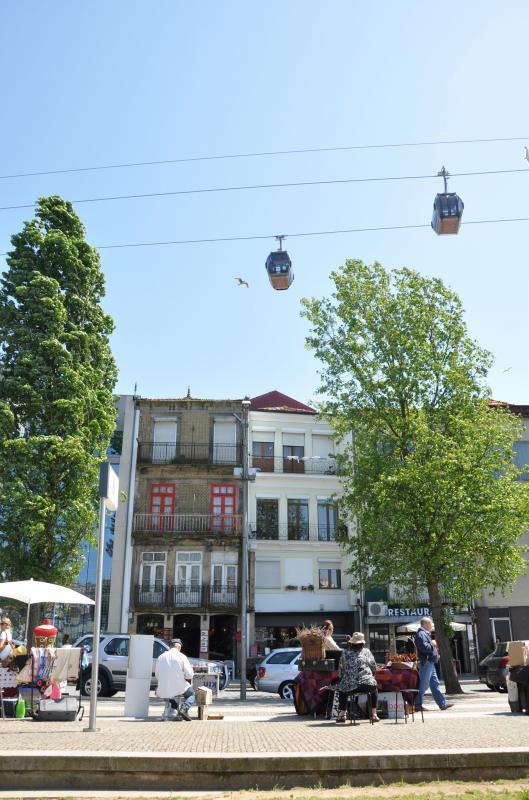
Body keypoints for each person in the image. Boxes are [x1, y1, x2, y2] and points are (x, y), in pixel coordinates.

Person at [335, 631, 379, 723]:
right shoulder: (366, 652)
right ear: (362, 643)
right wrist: (372, 676)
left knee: (342, 688)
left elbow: (341, 669)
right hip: (367, 684)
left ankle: (342, 714)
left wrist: (343, 679)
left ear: (351, 643)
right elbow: (373, 666)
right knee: (374, 687)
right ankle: (374, 714)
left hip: (350, 686)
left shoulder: (345, 653)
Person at [414, 617, 454, 712]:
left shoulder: (423, 634)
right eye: (430, 624)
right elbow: (423, 647)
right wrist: (432, 644)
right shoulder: (421, 634)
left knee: (435, 684)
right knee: (423, 685)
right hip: (427, 663)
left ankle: (442, 704)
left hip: (430, 662)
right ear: (425, 624)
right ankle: (417, 705)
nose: (431, 626)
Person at [155, 638, 195, 721]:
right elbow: (189, 674)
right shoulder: (181, 656)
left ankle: (173, 709)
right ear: (179, 647)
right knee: (191, 694)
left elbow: (157, 675)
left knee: (171, 693)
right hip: (178, 688)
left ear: (170, 647)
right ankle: (184, 709)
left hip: (163, 689)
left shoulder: (161, 657)